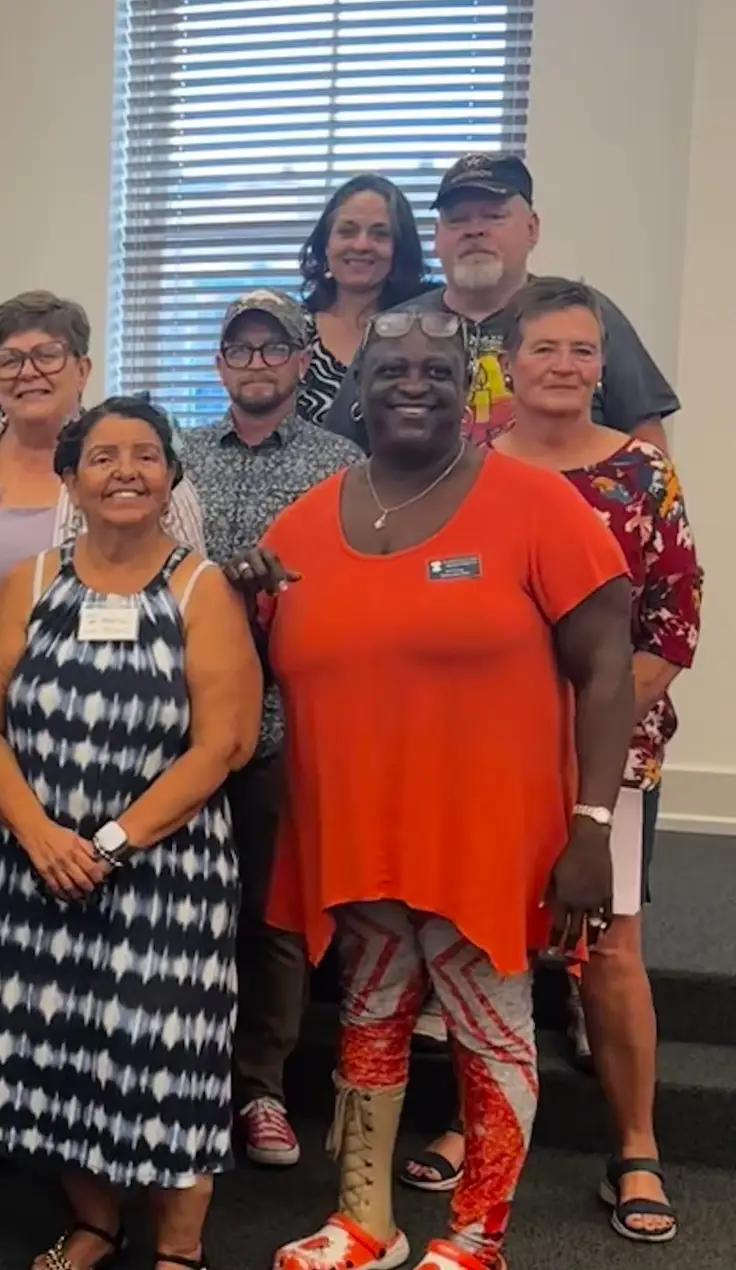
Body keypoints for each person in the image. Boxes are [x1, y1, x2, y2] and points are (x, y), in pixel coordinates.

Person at [239, 310, 635, 1270]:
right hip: (354, 832)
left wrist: (592, 825)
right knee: (369, 1024)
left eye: (436, 369)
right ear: (358, 385)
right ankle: (364, 1221)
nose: (412, 384)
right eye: (390, 368)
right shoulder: (299, 525)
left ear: (472, 384)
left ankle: (475, 1237)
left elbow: (609, 670)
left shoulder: (538, 507)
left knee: (490, 1030)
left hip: (486, 833)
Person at [397, 279, 701, 1245]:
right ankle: (473, 1118)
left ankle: (637, 1146)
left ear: (601, 366)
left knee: (608, 949)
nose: (564, 368)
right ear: (509, 364)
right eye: (545, 351)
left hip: (608, 760)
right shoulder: (466, 468)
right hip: (485, 757)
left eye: (582, 352)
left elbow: (672, 627)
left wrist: (585, 740)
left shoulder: (642, 474)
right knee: (490, 938)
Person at [0, 397, 260, 1270]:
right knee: (62, 1054)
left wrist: (109, 844)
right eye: (104, 457)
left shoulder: (203, 588)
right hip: (26, 868)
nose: (125, 471)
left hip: (162, 875)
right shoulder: (28, 584)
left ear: (170, 478)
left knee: (166, 1058)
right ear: (70, 480)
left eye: (145, 456)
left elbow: (221, 744)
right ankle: (94, 1223)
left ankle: (178, 1250)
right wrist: (41, 837)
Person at [0, 292, 208, 1109]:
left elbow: (188, 611)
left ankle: (83, 1119)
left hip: (111, 768)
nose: (28, 373)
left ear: (82, 367)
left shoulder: (145, 471)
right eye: (9, 359)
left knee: (91, 961)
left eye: (49, 356)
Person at [183, 290, 360, 1171]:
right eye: (240, 350)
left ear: (301, 363)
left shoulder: (343, 465)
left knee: (273, 912)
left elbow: (360, 589)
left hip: (288, 720)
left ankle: (259, 1088)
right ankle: (180, 1072)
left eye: (273, 349)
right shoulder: (175, 457)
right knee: (183, 905)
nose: (257, 363)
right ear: (220, 365)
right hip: (178, 722)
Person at [323, 153, 678, 452]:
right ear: (438, 237)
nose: (474, 230)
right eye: (457, 219)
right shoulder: (393, 329)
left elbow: (646, 446)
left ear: (532, 229)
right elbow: (340, 449)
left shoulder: (583, 317)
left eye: (494, 216)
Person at [296, 174, 433, 429]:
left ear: (399, 249)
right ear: (326, 245)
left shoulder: (427, 331)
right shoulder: (292, 332)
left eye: (379, 234)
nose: (361, 245)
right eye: (347, 231)